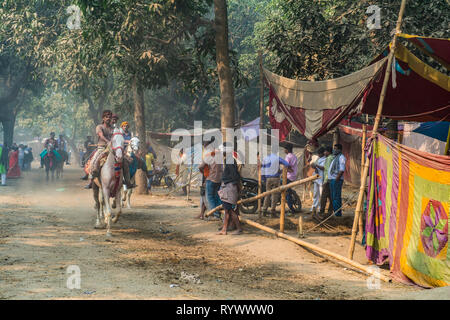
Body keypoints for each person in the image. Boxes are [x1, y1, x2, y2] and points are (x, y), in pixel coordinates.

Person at [216, 143, 243, 235]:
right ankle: (224, 229)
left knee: (230, 210)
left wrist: (227, 182)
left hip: (229, 187)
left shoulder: (229, 160)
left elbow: (234, 176)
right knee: (227, 210)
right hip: (229, 187)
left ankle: (238, 228)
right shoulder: (229, 160)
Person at [85, 110, 114, 188]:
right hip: (102, 148)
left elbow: (115, 136)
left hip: (112, 149)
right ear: (103, 118)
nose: (108, 118)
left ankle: (125, 180)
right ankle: (91, 180)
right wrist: (108, 141)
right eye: (106, 117)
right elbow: (101, 135)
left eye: (110, 117)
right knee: (94, 162)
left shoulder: (113, 128)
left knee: (124, 161)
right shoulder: (99, 127)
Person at [199, 141, 223, 220]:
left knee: (210, 197)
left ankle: (215, 214)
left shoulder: (209, 155)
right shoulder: (221, 155)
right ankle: (218, 213)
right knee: (216, 197)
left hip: (211, 178)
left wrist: (203, 172)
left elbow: (201, 166)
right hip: (219, 179)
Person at [261, 153, 290, 217]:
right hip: (275, 179)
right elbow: (287, 164)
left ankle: (264, 211)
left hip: (268, 179)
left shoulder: (265, 158)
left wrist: (264, 179)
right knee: (274, 195)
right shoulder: (277, 158)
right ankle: (272, 212)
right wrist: (281, 170)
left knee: (267, 194)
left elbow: (262, 170)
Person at [328, 144, 346, 217]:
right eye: (334, 148)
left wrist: (336, 179)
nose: (334, 150)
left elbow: (341, 170)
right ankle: (336, 212)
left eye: (335, 149)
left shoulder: (341, 157)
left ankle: (338, 214)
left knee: (336, 197)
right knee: (333, 197)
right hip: (332, 180)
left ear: (339, 150)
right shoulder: (335, 158)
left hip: (336, 180)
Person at [316, 146, 334, 220]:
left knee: (323, 196)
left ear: (328, 152)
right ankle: (330, 211)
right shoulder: (332, 157)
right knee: (330, 196)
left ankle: (322, 211)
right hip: (330, 179)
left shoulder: (329, 158)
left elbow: (326, 169)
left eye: (325, 151)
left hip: (327, 179)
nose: (324, 153)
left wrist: (316, 165)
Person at [310, 147, 326, 214]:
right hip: (316, 178)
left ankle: (320, 209)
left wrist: (316, 165)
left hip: (322, 178)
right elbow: (315, 166)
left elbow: (323, 168)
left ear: (323, 153)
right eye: (318, 153)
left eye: (319, 153)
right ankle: (314, 207)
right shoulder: (318, 159)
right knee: (315, 194)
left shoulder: (325, 159)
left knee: (321, 194)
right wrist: (314, 166)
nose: (318, 155)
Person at [283, 143, 298, 214]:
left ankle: (291, 208)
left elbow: (286, 166)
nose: (284, 150)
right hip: (293, 176)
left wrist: (284, 170)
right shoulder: (294, 156)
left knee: (287, 192)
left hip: (288, 176)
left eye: (284, 149)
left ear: (287, 150)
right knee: (288, 191)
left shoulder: (288, 157)